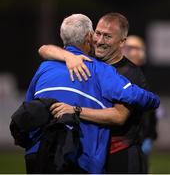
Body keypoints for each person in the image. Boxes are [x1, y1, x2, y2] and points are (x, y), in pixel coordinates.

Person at [38, 12, 160, 173]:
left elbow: (118, 117)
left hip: (119, 156)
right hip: (91, 153)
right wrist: (68, 57)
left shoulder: (131, 74)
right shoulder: (89, 59)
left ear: (122, 41)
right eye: (98, 33)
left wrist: (75, 111)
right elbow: (44, 49)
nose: (100, 41)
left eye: (108, 36)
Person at [122, 35, 158, 172]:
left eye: (137, 48)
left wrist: (150, 134)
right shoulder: (117, 75)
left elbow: (151, 112)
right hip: (125, 140)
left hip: (142, 137)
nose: (134, 52)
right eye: (129, 48)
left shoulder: (145, 77)